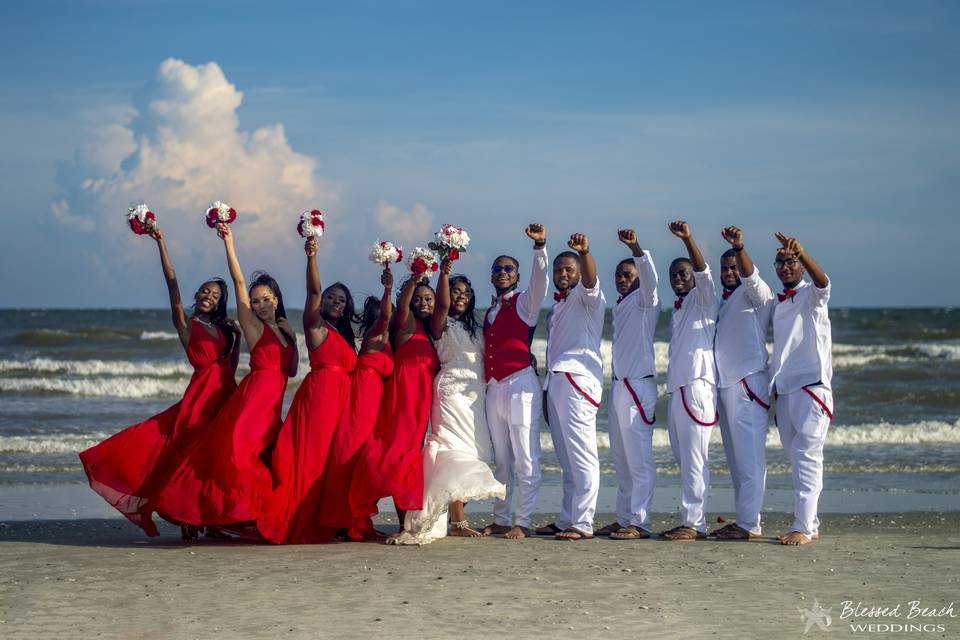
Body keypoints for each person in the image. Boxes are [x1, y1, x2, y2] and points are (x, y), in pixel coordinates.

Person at [79, 223, 239, 539]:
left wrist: (234, 347)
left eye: (216, 295)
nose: (209, 296)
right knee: (190, 458)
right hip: (200, 398)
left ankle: (211, 517)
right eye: (205, 291)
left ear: (220, 302)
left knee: (218, 458)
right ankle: (189, 520)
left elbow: (231, 365)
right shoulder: (185, 324)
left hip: (224, 394)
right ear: (198, 295)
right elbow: (172, 284)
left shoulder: (225, 329)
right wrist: (161, 243)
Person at [154, 223, 298, 535]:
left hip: (271, 407)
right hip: (251, 401)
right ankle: (211, 513)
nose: (260, 305)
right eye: (255, 300)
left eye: (266, 299)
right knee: (237, 456)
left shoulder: (286, 331)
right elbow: (239, 279)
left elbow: (294, 370)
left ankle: (233, 516)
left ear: (276, 298)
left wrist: (292, 337)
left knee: (267, 458)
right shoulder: (253, 327)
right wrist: (229, 242)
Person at [390, 263, 505, 544]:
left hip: (475, 394)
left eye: (465, 292)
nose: (460, 296)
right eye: (455, 292)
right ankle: (458, 521)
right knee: (454, 451)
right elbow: (441, 304)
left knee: (475, 451)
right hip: (451, 392)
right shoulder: (440, 321)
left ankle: (457, 518)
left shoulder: (474, 325)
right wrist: (445, 268)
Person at [257, 237, 357, 544]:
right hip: (319, 398)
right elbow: (313, 290)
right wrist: (311, 256)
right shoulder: (316, 325)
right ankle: (300, 517)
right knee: (312, 459)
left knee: (333, 461)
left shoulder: (345, 334)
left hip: (342, 400)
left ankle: (328, 519)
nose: (336, 302)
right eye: (331, 298)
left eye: (341, 299)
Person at [349, 273, 440, 529]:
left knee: (409, 457)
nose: (424, 303)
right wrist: (413, 279)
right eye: (419, 299)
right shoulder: (407, 324)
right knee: (399, 455)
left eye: (429, 299)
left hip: (421, 405)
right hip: (404, 401)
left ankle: (406, 521)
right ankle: (395, 519)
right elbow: (400, 307)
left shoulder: (431, 333)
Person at [316, 266, 395, 541]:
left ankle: (353, 520)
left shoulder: (369, 339)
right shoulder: (377, 333)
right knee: (351, 458)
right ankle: (346, 522)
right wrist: (388, 289)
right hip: (362, 401)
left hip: (366, 401)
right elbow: (386, 315)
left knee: (354, 460)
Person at [481, 224, 550, 540]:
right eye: (497, 269)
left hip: (521, 385)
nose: (503, 272)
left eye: (509, 268)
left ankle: (522, 521)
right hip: (495, 388)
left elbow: (541, 282)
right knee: (502, 460)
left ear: (517, 276)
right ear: (492, 276)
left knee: (526, 456)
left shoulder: (525, 302)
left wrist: (540, 248)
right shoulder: (491, 310)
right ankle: (501, 517)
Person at [538, 233, 605, 541]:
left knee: (582, 455)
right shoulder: (558, 306)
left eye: (569, 269)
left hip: (578, 381)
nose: (563, 274)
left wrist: (587, 253)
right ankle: (567, 518)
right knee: (566, 458)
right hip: (556, 381)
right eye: (559, 270)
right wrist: (546, 391)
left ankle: (583, 522)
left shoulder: (587, 296)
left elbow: (591, 280)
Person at [767, 232, 833, 545]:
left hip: (811, 387)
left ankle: (803, 527)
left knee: (808, 457)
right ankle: (810, 522)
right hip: (786, 390)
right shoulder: (780, 304)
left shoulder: (811, 295)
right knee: (796, 460)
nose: (784, 267)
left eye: (790, 261)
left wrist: (804, 252)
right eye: (779, 262)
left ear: (801, 267)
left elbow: (823, 282)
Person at [711, 226, 775, 540]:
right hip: (726, 386)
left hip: (749, 383)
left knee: (750, 459)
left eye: (733, 267)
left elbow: (751, 276)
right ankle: (744, 519)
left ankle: (751, 524)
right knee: (736, 461)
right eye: (724, 269)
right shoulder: (722, 300)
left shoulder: (758, 295)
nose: (729, 272)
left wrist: (739, 248)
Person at [660, 220, 718, 541]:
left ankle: (695, 524)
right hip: (678, 387)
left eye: (683, 274)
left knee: (696, 459)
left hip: (697, 385)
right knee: (684, 459)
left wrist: (688, 240)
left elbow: (703, 273)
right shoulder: (680, 309)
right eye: (674, 276)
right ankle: (691, 519)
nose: (679, 279)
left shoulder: (704, 300)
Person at [604, 228, 661, 540]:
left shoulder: (645, 300)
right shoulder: (621, 304)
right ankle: (624, 516)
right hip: (618, 386)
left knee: (639, 460)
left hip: (639, 386)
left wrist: (636, 248)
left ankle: (640, 521)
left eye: (627, 274)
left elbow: (650, 278)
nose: (622, 279)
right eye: (618, 275)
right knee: (622, 459)